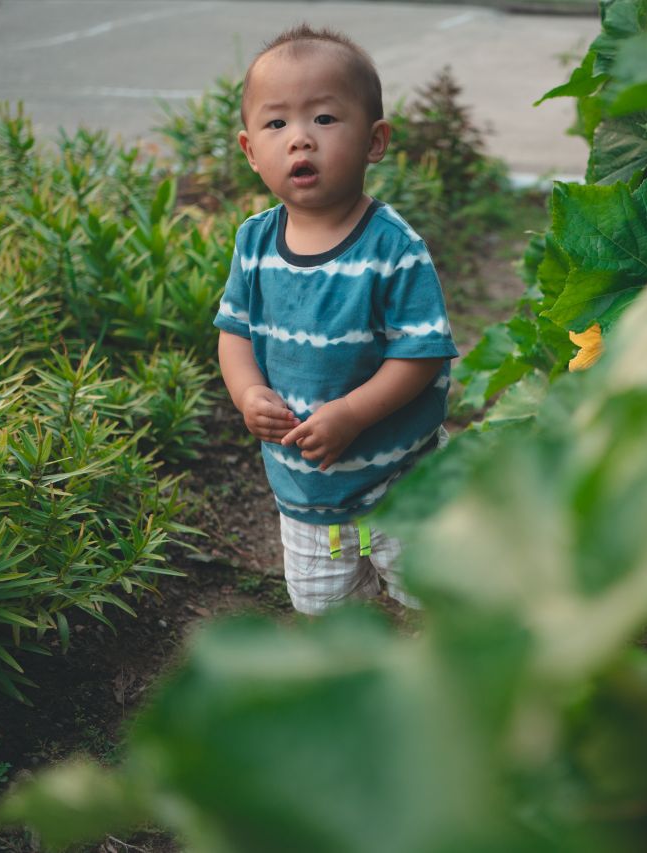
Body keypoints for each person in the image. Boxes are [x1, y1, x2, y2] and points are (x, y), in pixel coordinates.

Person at [214, 24, 457, 614]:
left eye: (324, 119)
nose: (300, 140)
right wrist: (249, 395)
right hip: (305, 491)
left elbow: (420, 356)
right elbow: (234, 334)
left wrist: (350, 414)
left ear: (375, 141)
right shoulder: (255, 242)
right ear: (250, 151)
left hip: (402, 478)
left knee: (433, 601)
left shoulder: (393, 247)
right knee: (328, 615)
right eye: (277, 124)